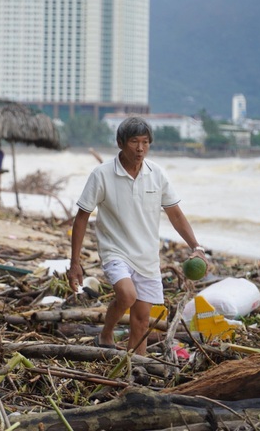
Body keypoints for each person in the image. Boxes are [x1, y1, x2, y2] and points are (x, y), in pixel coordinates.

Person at [67, 116, 208, 356]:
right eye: (134, 142)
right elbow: (82, 217)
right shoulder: (101, 174)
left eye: (145, 142)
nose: (140, 148)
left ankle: (136, 370)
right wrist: (75, 262)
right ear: (121, 143)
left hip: (147, 256)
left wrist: (197, 246)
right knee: (127, 295)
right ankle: (106, 332)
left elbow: (175, 214)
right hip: (115, 250)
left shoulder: (157, 174)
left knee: (142, 321)